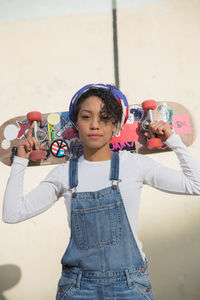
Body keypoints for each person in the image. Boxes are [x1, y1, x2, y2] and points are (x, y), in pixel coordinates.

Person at [2, 83, 200, 300]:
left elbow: (196, 185)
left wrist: (173, 140)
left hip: (130, 285)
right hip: (78, 288)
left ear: (115, 125)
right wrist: (20, 160)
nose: (95, 125)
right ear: (76, 123)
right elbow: (12, 213)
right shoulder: (64, 173)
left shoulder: (134, 165)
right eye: (86, 117)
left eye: (104, 117)